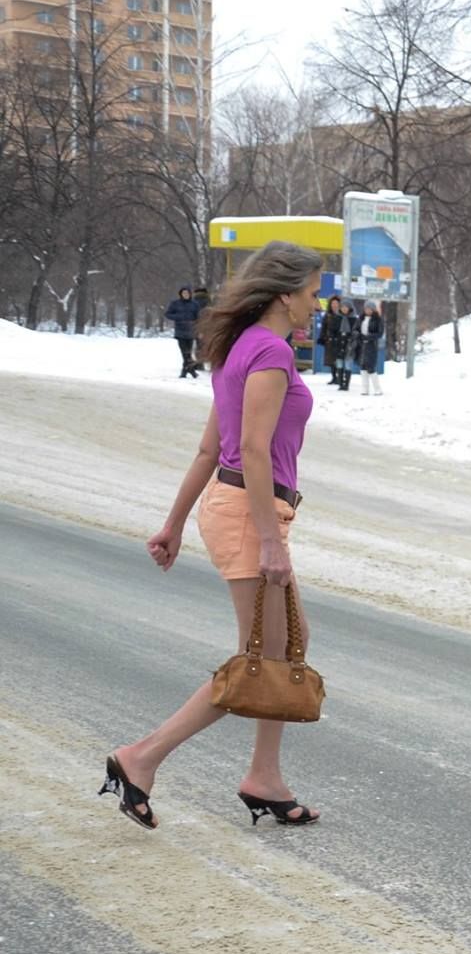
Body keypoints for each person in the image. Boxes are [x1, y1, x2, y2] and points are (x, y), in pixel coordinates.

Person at [100, 240, 325, 831]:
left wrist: (174, 523)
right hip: (253, 512)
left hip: (235, 505)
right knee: (260, 658)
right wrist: (270, 539)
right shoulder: (271, 353)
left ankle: (265, 776)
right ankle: (140, 757)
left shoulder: (238, 348)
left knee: (282, 645)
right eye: (310, 291)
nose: (316, 302)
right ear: (284, 293)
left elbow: (210, 447)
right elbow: (250, 449)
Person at [167, 287, 202, 378]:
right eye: (184, 293)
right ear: (181, 294)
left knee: (188, 352)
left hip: (191, 331)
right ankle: (191, 371)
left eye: (187, 293)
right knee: (184, 352)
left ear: (190, 294)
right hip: (180, 331)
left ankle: (185, 371)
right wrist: (178, 317)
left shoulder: (194, 304)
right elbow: (168, 314)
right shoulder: (175, 304)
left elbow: (198, 317)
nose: (185, 295)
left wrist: (198, 326)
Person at [357, 303, 385, 396]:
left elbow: (379, 333)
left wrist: (369, 337)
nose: (368, 311)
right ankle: (365, 389)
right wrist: (358, 335)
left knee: (371, 367)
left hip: (371, 345)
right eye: (366, 309)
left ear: (373, 310)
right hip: (361, 345)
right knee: (363, 367)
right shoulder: (361, 318)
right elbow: (355, 329)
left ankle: (378, 389)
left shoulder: (378, 319)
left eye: (370, 309)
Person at [319, 297, 346, 385]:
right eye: (333, 304)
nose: (334, 305)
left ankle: (340, 377)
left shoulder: (342, 315)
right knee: (331, 360)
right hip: (329, 340)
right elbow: (324, 327)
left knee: (339, 359)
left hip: (339, 340)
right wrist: (322, 337)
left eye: (336, 304)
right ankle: (334, 377)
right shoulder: (327, 315)